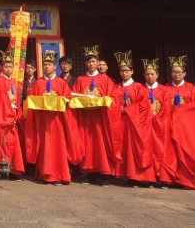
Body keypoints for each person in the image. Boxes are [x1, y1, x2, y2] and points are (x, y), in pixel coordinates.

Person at [24, 51, 82, 185]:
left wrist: (62, 100)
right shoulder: (38, 83)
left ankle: (60, 175)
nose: (47, 66)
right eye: (44, 64)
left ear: (55, 66)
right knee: (44, 147)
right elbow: (31, 100)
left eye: (49, 64)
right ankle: (46, 174)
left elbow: (68, 99)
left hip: (58, 122)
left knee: (58, 146)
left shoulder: (61, 83)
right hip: (43, 121)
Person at [71, 46, 121, 187]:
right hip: (86, 118)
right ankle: (89, 173)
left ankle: (104, 174)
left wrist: (103, 100)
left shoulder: (105, 79)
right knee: (88, 144)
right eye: (88, 62)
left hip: (101, 118)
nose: (91, 64)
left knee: (101, 144)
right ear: (85, 63)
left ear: (98, 62)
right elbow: (73, 97)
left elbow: (114, 98)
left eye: (93, 61)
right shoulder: (80, 79)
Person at [165, 56, 195, 190]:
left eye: (179, 72)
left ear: (184, 73)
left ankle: (187, 180)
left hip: (186, 128)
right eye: (174, 72)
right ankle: (172, 179)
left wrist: (179, 112)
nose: (176, 74)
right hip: (170, 126)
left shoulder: (192, 90)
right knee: (172, 154)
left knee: (187, 153)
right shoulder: (165, 88)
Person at [113, 51, 155, 187]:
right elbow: (112, 102)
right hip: (121, 123)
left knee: (137, 149)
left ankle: (139, 176)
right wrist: (117, 109)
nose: (124, 73)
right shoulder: (116, 87)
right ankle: (128, 175)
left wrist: (126, 110)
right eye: (121, 71)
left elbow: (143, 105)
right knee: (124, 148)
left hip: (135, 123)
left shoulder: (138, 87)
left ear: (132, 71)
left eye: (126, 70)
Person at [0, 49, 24, 181]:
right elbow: (1, 101)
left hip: (12, 116)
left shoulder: (13, 82)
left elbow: (16, 101)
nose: (8, 69)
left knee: (12, 143)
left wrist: (17, 115)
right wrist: (9, 116)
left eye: (10, 66)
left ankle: (12, 169)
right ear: (1, 67)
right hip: (2, 116)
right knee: (0, 143)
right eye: (6, 66)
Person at [142, 59, 175, 189]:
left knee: (162, 151)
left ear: (157, 75)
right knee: (147, 151)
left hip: (161, 125)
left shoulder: (164, 90)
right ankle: (150, 178)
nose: (149, 76)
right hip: (145, 125)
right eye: (147, 74)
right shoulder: (141, 89)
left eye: (152, 74)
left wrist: (157, 119)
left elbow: (166, 108)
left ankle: (163, 178)